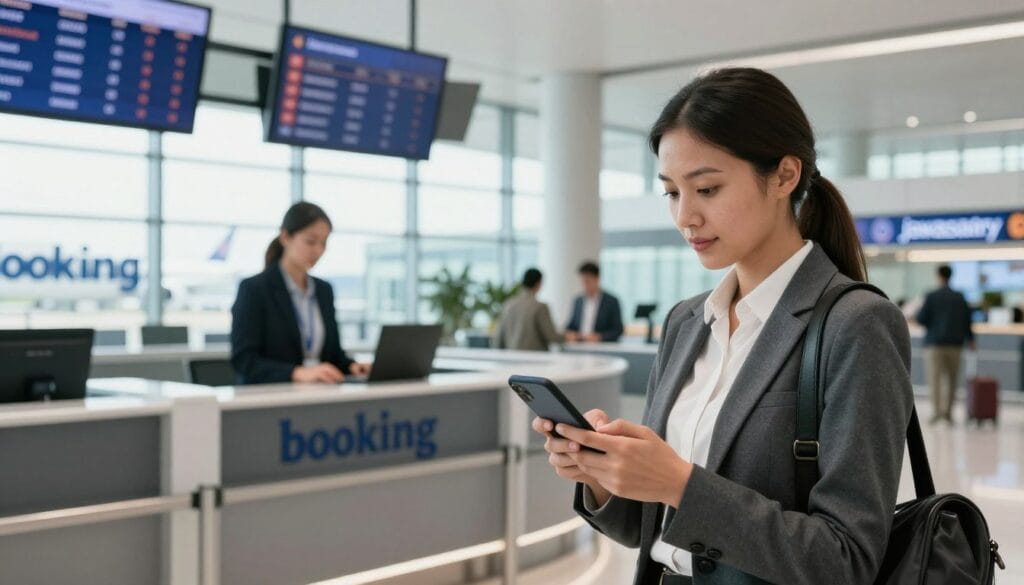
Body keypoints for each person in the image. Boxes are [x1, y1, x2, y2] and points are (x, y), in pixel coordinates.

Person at [533, 68, 913, 585]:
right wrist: (604, 476)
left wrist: (681, 485)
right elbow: (653, 530)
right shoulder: (687, 322)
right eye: (671, 192)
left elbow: (846, 560)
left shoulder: (857, 325)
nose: (685, 216)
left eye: (707, 188)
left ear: (784, 176)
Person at [231, 202, 371, 385]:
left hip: (319, 395)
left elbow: (333, 356)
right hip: (270, 398)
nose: (318, 251)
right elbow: (244, 360)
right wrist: (297, 373)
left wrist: (352, 366)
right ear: (285, 237)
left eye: (324, 243)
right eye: (311, 241)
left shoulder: (323, 291)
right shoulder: (255, 289)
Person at [916, 265, 976, 424]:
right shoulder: (960, 297)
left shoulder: (931, 296)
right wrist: (971, 340)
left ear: (938, 276)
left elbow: (921, 318)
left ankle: (937, 413)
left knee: (935, 379)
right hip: (956, 344)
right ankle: (948, 414)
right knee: (952, 379)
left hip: (935, 344)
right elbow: (967, 321)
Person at [492, 268, 564, 351]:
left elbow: (499, 338)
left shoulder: (508, 305)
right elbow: (551, 336)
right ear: (539, 283)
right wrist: (567, 337)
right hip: (535, 360)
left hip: (511, 359)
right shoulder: (540, 307)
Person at [564, 261, 624, 343]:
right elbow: (571, 325)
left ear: (597, 279)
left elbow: (617, 330)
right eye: (582, 280)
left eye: (587, 280)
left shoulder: (611, 301)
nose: (584, 284)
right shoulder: (578, 301)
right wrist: (570, 334)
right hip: (579, 344)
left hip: (601, 346)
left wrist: (600, 337)